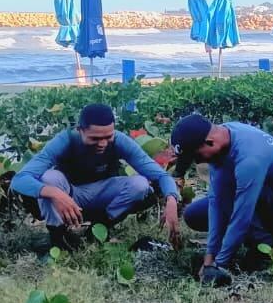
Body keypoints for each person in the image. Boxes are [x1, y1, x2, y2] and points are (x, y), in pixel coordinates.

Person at [171, 113, 273, 286]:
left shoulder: (249, 158)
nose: (199, 162)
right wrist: (209, 259)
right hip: (266, 196)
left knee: (232, 198)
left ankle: (266, 245)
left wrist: (221, 265)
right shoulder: (222, 139)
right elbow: (216, 203)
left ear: (211, 141)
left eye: (197, 157)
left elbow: (241, 215)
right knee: (195, 214)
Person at [11, 103, 181, 251]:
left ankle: (99, 229)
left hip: (103, 195)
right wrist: (55, 194)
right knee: (49, 178)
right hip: (70, 194)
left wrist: (172, 200)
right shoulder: (66, 140)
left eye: (108, 137)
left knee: (140, 184)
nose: (103, 144)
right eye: (95, 138)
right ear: (80, 130)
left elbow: (161, 176)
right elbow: (20, 179)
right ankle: (58, 240)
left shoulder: (120, 141)